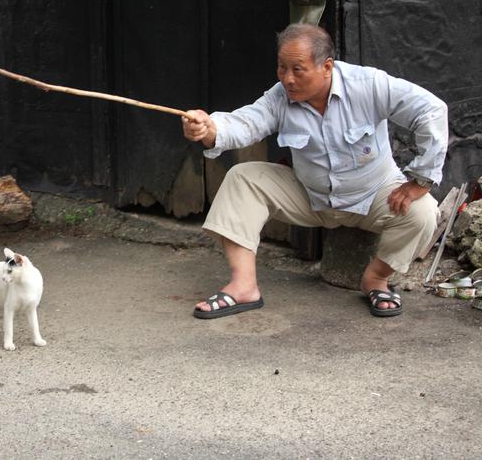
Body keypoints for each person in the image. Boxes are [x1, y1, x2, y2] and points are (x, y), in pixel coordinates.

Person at [181, 23, 447, 318]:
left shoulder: (368, 85)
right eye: (282, 68)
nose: (288, 79)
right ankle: (244, 286)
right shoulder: (279, 96)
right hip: (311, 196)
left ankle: (377, 278)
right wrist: (210, 128)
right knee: (242, 179)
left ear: (326, 67)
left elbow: (432, 111)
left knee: (423, 212)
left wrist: (420, 180)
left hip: (374, 196)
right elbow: (246, 122)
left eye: (298, 69)